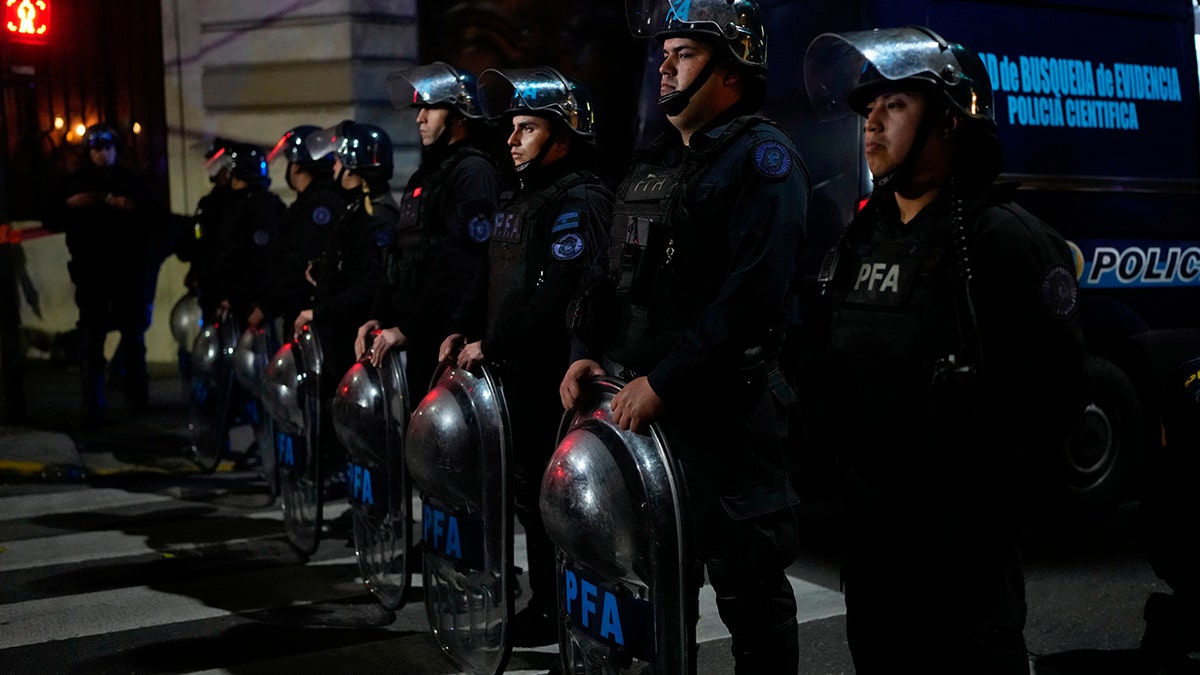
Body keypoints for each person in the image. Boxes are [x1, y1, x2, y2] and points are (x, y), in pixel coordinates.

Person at [803, 26, 1089, 673]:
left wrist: (978, 511)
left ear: (951, 121)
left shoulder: (1005, 240)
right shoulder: (862, 238)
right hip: (873, 561)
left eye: (895, 104)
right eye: (867, 107)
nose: (872, 121)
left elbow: (1056, 399)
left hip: (963, 573)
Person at [558, 1, 810, 670]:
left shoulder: (761, 160)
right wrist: (585, 352)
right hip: (642, 423)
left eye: (685, 55)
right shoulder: (655, 166)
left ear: (731, 72)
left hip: (725, 424)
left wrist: (664, 383)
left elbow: (749, 302)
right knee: (651, 594)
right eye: (663, 55)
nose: (664, 67)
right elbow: (605, 277)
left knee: (750, 596)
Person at [437, 66, 613, 646]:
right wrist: (461, 327)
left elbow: (561, 290)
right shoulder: (523, 197)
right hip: (513, 376)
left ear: (562, 137)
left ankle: (569, 614)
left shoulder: (579, 198)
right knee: (528, 498)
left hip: (550, 378)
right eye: (511, 128)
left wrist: (497, 343)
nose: (511, 140)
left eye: (527, 128)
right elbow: (492, 278)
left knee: (557, 502)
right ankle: (545, 604)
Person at [355, 63, 503, 400]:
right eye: (419, 109)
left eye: (430, 108)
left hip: (443, 341)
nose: (420, 118)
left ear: (459, 116)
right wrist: (377, 314)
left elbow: (461, 265)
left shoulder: (472, 172)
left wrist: (408, 328)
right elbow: (398, 251)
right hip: (413, 336)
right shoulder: (426, 175)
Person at [297, 121, 400, 488]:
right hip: (340, 334)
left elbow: (372, 283)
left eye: (340, 161)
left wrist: (320, 311)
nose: (334, 168)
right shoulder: (356, 210)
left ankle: (375, 503)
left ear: (356, 168)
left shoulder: (377, 216)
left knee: (365, 426)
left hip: (355, 338)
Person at [45, 123, 159, 424]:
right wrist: (70, 206)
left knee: (132, 333)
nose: (102, 155)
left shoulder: (130, 181)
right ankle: (92, 400)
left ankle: (137, 396)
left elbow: (152, 216)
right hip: (91, 271)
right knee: (92, 336)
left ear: (115, 150)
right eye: (96, 149)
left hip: (126, 271)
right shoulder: (77, 182)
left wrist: (130, 208)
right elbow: (52, 216)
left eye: (107, 148)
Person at [263, 125, 345, 334]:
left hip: (309, 314)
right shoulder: (312, 202)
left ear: (298, 167)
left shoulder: (319, 205)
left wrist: (271, 304)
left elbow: (298, 260)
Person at [210, 142, 286, 330]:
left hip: (251, 306)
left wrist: (259, 304)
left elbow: (261, 261)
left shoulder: (261, 207)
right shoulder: (239, 203)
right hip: (236, 302)